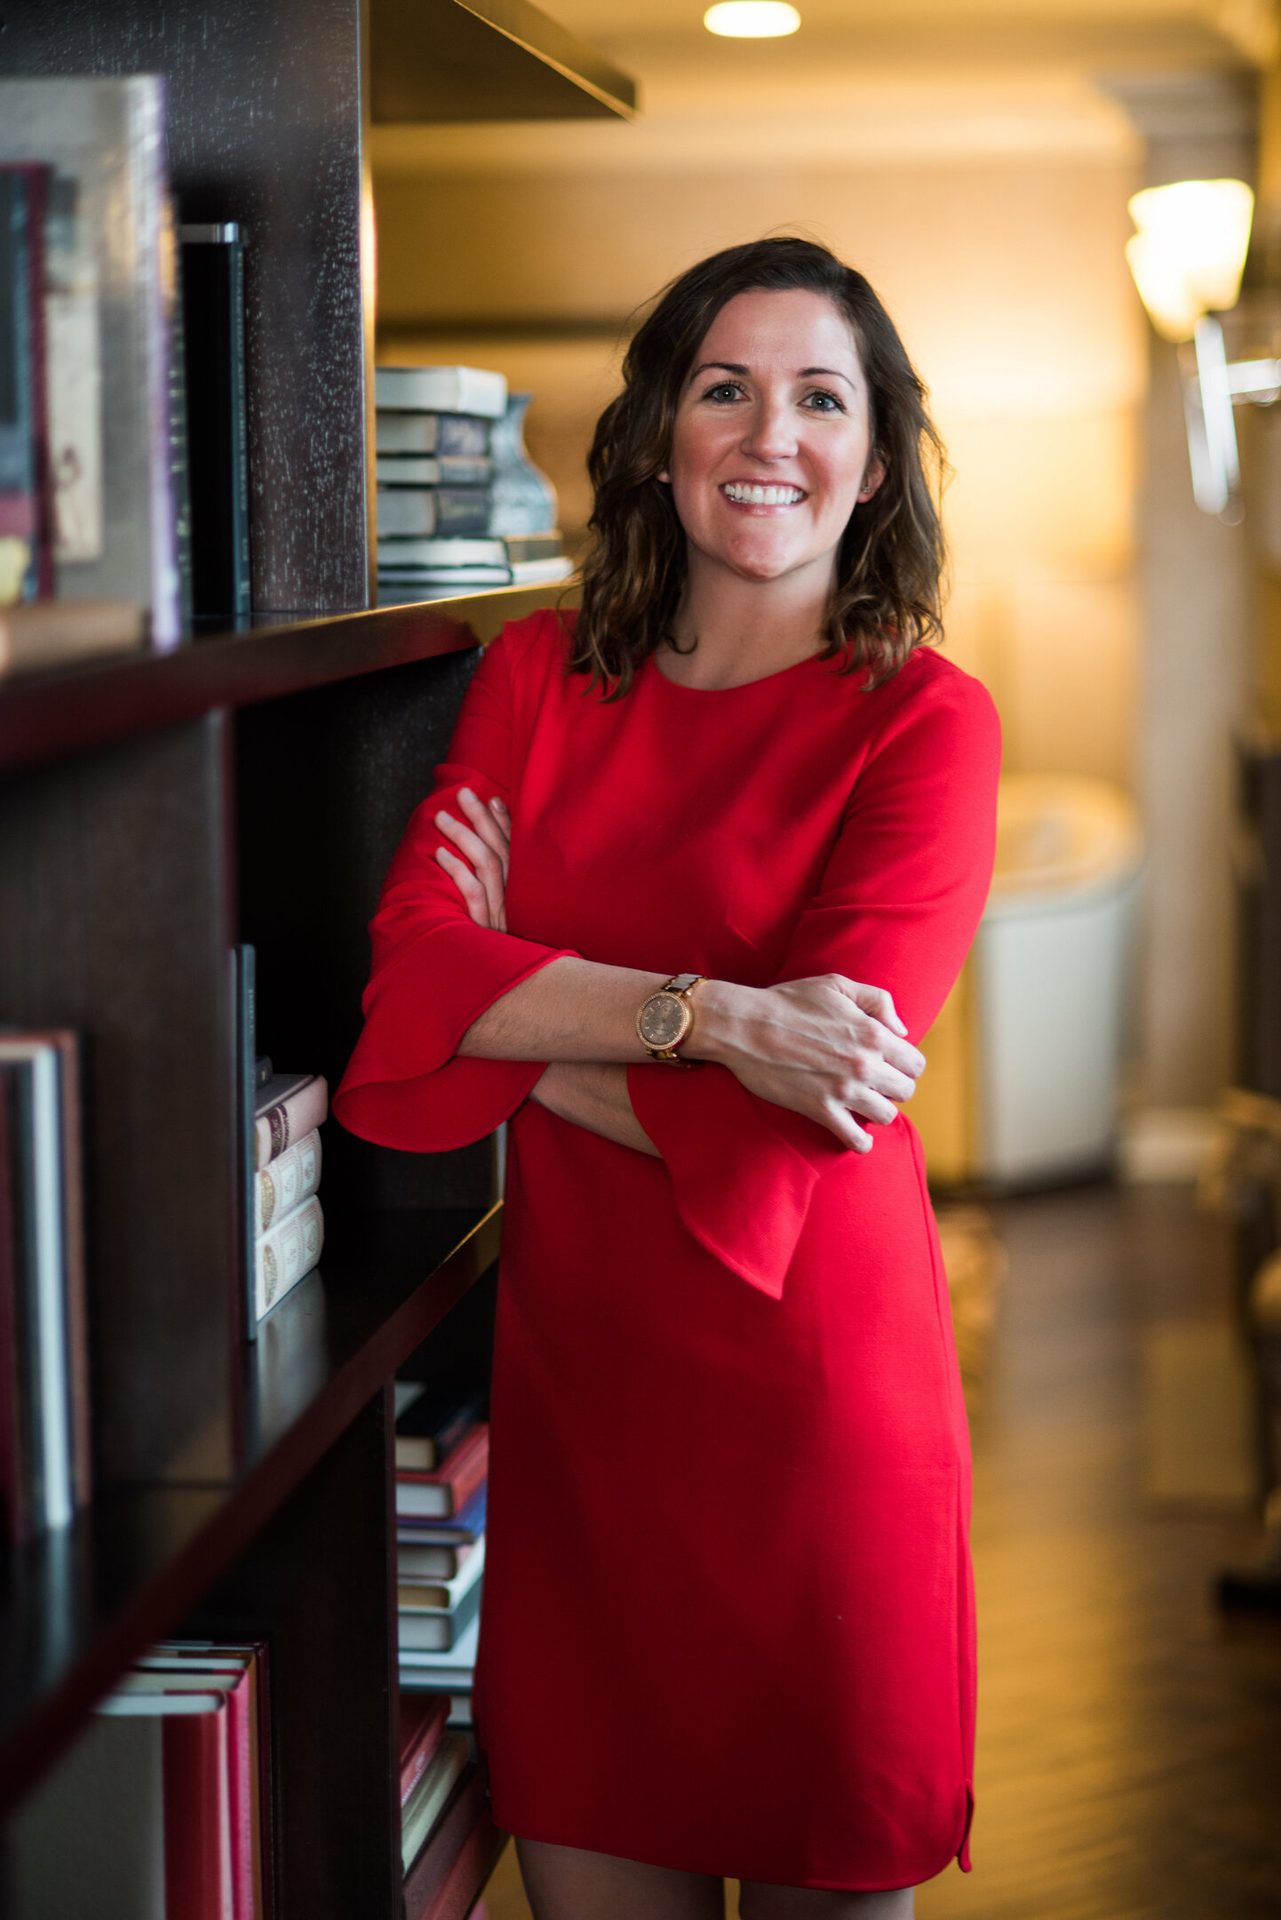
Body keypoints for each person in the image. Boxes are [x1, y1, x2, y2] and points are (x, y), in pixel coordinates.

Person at [333, 235, 1002, 1920]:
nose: (767, 432)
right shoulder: (533, 681)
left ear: (872, 457)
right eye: (724, 387)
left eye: (819, 396)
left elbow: (816, 1119)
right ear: (654, 434)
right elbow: (406, 980)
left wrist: (515, 1023)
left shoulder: (925, 725)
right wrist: (721, 1021)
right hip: (582, 1426)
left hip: (816, 1421)